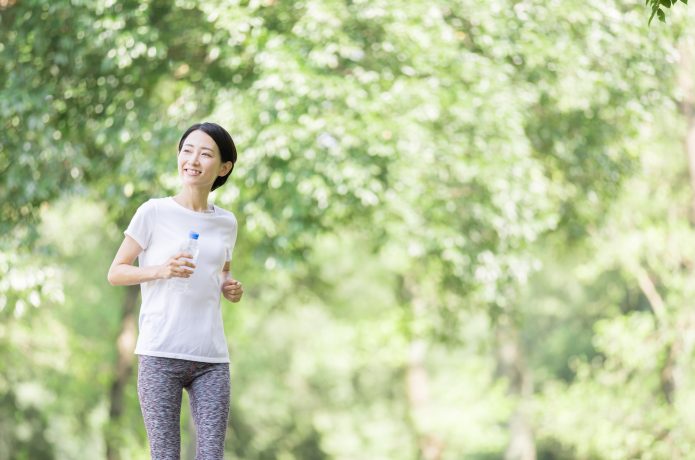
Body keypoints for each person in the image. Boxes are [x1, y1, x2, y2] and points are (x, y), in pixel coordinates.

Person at [107, 122, 244, 460]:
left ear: (223, 167)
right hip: (160, 353)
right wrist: (161, 269)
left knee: (211, 455)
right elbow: (116, 272)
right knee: (166, 455)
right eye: (187, 150)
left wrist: (229, 286)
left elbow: (223, 270)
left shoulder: (226, 223)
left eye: (205, 153)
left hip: (211, 357)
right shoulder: (153, 212)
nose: (193, 159)